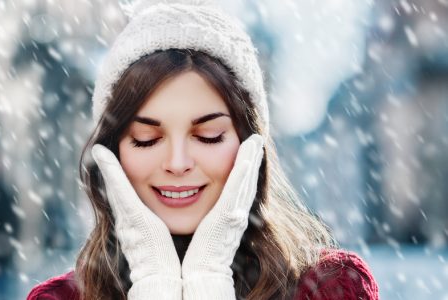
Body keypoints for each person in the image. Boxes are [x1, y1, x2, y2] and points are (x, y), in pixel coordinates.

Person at [27, 0, 379, 299]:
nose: (178, 163)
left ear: (249, 147)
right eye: (147, 139)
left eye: (208, 136)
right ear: (112, 153)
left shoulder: (333, 288)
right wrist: (154, 285)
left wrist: (209, 279)